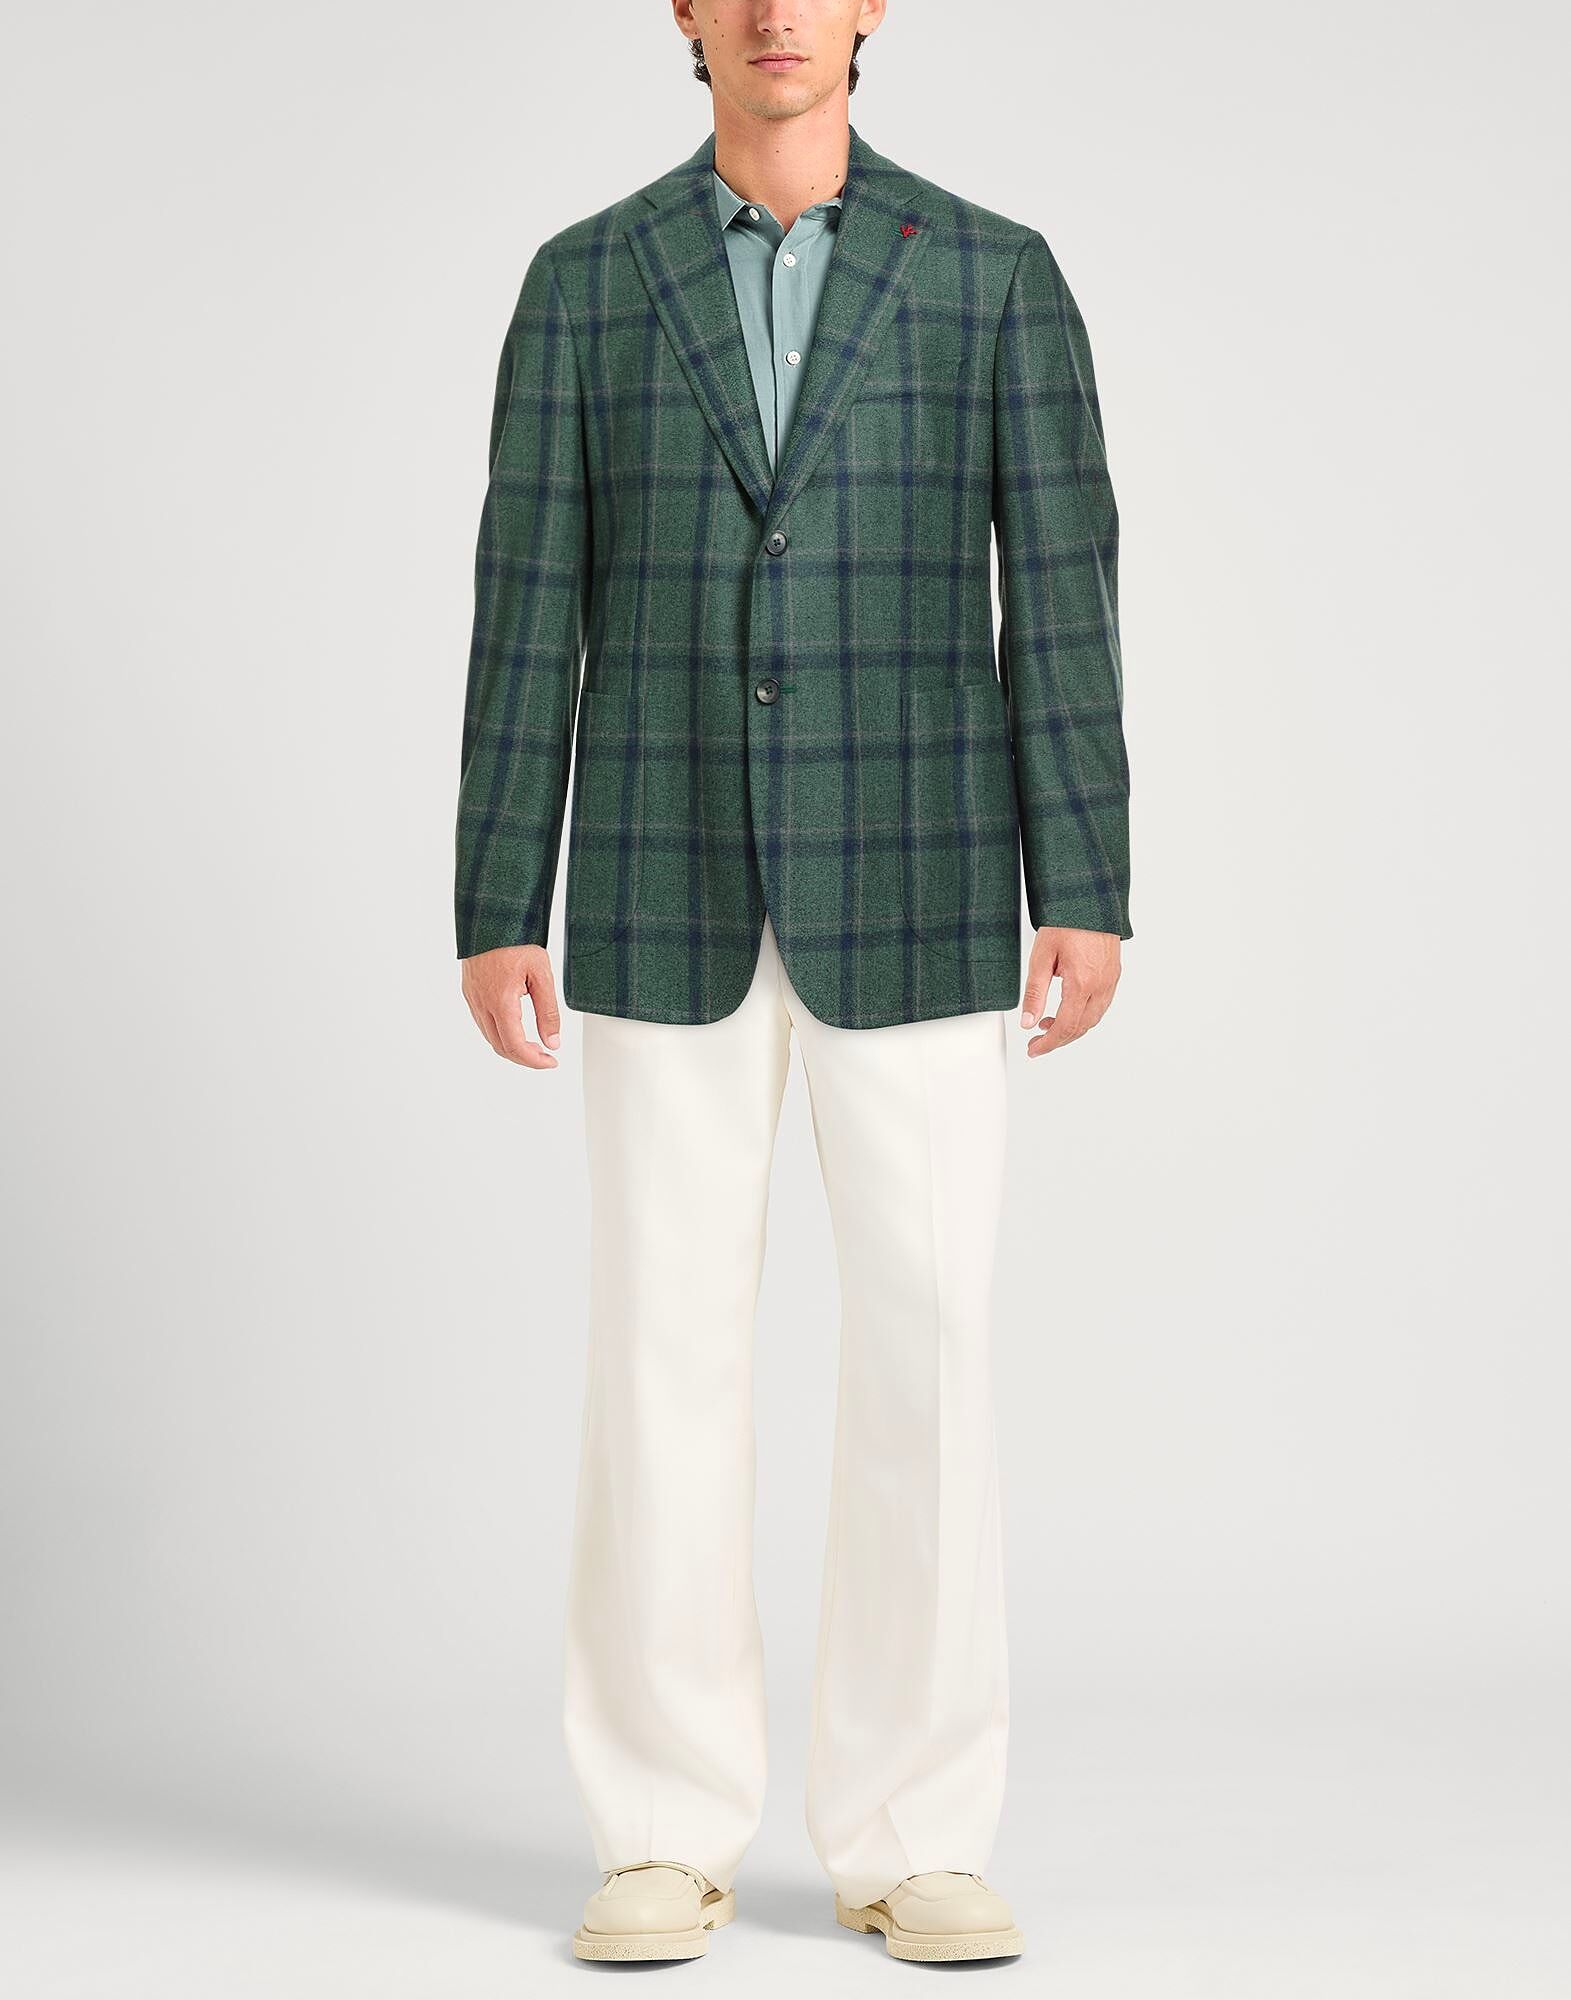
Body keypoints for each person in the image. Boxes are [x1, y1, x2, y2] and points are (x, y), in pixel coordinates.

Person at [454, 0, 1130, 1966]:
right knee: (660, 1355)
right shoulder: (585, 286)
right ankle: (662, 1829)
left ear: (868, 9)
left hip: (921, 870)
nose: (773, 13)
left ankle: (915, 1830)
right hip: (656, 867)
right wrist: (500, 889)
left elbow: (1060, 587)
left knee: (930, 1350)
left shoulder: (991, 274)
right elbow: (528, 598)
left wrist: (1085, 874)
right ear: (681, 10)